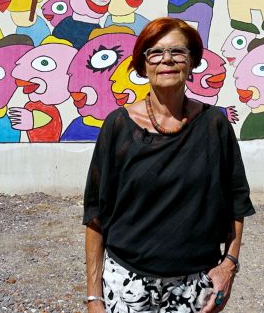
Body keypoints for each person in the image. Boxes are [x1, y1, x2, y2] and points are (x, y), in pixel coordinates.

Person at [83, 17, 254, 313]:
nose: (167, 60)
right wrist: (94, 296)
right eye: (155, 52)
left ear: (191, 63)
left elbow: (236, 201)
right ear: (143, 64)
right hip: (126, 281)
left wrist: (229, 266)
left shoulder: (214, 125)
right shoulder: (118, 127)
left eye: (178, 52)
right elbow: (96, 213)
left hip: (195, 283)